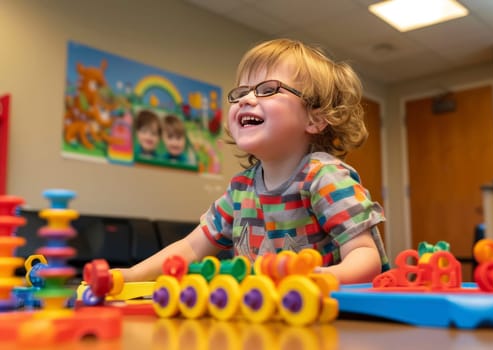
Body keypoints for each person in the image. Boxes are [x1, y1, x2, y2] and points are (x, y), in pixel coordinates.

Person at [120, 38, 389, 284]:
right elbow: (190, 248)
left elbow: (366, 255)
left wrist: (324, 277)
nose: (246, 99)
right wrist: (131, 275)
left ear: (314, 119)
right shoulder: (240, 190)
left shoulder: (325, 177)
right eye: (241, 92)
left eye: (268, 89)